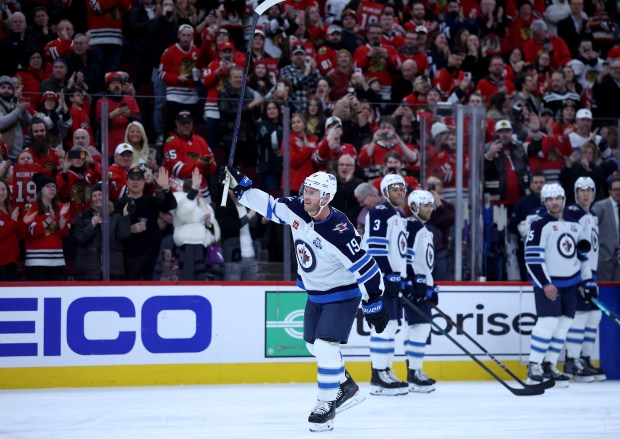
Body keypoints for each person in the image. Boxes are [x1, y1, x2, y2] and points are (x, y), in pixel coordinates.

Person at [219, 166, 389, 432]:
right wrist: (242, 187)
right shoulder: (298, 208)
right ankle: (346, 385)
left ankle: (325, 404)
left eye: (312, 192)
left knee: (325, 347)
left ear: (325, 198)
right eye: (305, 190)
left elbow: (367, 268)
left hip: (342, 295)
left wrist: (374, 303)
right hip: (315, 294)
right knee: (312, 345)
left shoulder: (339, 231)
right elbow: (271, 205)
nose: (305, 196)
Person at [524, 183, 594, 387]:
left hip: (571, 283)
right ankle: (534, 365)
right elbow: (532, 258)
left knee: (563, 325)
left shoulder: (574, 223)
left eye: (558, 198)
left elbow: (582, 254)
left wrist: (587, 280)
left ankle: (550, 365)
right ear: (544, 202)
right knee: (548, 323)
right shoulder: (539, 225)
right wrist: (545, 283)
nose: (554, 203)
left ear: (564, 199)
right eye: (550, 199)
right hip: (549, 284)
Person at [361, 173, 409, 395]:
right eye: (395, 188)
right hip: (382, 279)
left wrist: (401, 276)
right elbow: (376, 248)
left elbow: (398, 251)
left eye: (402, 188)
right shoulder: (380, 212)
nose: (400, 191)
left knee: (391, 327)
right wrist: (388, 274)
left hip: (394, 278)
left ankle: (385, 371)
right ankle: (378, 375)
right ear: (384, 191)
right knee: (382, 327)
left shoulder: (398, 215)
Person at [563, 177, 606, 381]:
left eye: (589, 190)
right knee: (580, 315)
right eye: (581, 190)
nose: (585, 193)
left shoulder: (593, 215)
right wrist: (581, 276)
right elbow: (572, 246)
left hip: (593, 272)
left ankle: (586, 358)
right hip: (581, 273)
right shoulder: (572, 213)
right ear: (575, 192)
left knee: (593, 316)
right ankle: (572, 360)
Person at [403, 190, 438, 392]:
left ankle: (414, 371)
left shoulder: (425, 230)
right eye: (425, 205)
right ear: (414, 207)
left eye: (430, 205)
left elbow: (425, 264)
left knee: (417, 328)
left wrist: (431, 286)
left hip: (422, 285)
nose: (429, 209)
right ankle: (414, 372)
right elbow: (406, 257)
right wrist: (411, 283)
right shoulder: (412, 227)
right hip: (415, 286)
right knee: (420, 327)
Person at [118, 166, 177, 280]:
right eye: (132, 178)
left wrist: (165, 188)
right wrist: (129, 228)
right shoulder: (120, 203)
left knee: (153, 289)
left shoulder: (152, 200)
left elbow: (172, 205)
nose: (135, 182)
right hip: (130, 255)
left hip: (152, 255)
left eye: (139, 179)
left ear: (144, 182)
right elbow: (114, 229)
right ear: (127, 182)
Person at [73, 182, 131, 280]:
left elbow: (124, 236)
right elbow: (80, 239)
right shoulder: (84, 216)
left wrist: (125, 217)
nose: (97, 198)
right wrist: (92, 225)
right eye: (94, 196)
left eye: (100, 194)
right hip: (89, 270)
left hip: (113, 269)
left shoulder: (116, 215)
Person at [171, 168, 220, 281]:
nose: (198, 191)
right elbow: (181, 216)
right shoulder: (180, 201)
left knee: (202, 279)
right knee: (186, 278)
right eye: (194, 189)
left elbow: (215, 232)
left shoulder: (206, 207)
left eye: (198, 189)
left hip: (204, 248)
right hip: (185, 245)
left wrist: (208, 224)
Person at [23, 173, 71, 281]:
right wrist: (49, 219)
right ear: (40, 189)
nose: (52, 189)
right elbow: (33, 232)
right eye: (48, 186)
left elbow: (62, 234)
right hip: (35, 261)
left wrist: (62, 217)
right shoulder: (28, 205)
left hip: (56, 260)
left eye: (54, 186)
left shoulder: (62, 207)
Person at [590, 177, 620, 281]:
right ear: (610, 191)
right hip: (604, 256)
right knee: (604, 290)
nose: (618, 192)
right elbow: (590, 228)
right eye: (616, 189)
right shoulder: (600, 206)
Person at [0, 180, 20, 281]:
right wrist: (12, 222)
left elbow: (17, 233)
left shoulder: (11, 209)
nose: (1, 193)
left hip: (12, 260)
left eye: (3, 189)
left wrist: (24, 223)